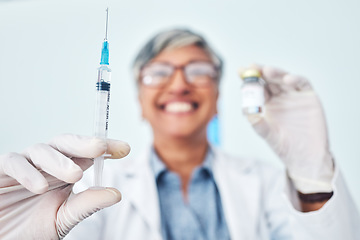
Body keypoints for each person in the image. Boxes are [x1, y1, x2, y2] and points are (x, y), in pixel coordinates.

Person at [0, 28, 359, 240]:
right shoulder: (90, 189)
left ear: (217, 97)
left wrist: (313, 176)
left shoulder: (263, 184)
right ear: (140, 101)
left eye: (199, 71)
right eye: (158, 73)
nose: (180, 84)